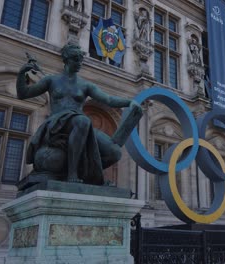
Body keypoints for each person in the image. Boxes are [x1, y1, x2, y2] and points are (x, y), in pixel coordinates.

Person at [16, 44, 142, 185]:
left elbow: (108, 99)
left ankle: (88, 175)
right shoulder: (51, 80)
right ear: (66, 59)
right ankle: (72, 173)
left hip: (79, 123)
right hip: (57, 123)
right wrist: (22, 74)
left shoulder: (85, 85)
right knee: (82, 121)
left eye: (81, 59)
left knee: (114, 152)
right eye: (76, 59)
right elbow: (23, 94)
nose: (79, 63)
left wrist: (130, 102)